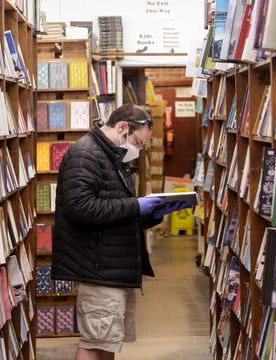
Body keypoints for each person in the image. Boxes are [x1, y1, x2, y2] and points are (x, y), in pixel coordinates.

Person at [51, 103, 189, 360]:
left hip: (111, 267)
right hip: (97, 266)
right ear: (123, 127)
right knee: (94, 342)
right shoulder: (86, 154)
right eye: (138, 142)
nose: (138, 149)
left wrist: (149, 215)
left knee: (108, 342)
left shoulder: (113, 156)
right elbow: (80, 209)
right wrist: (135, 205)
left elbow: (115, 212)